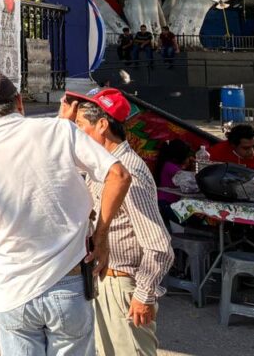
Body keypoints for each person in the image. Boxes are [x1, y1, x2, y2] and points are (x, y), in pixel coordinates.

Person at [0, 72, 132, 356]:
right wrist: (101, 237)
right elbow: (119, 175)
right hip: (68, 282)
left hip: (13, 291)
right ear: (19, 101)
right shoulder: (60, 130)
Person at [72, 90, 174, 356]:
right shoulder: (101, 166)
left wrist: (144, 294)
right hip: (104, 281)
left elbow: (159, 245)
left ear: (102, 125)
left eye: (79, 125)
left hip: (122, 286)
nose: (75, 133)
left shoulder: (129, 172)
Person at [153, 139, 195, 231]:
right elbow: (188, 182)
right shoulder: (170, 167)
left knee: (192, 218)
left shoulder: (168, 165)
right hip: (166, 204)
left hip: (167, 202)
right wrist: (193, 169)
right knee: (191, 221)